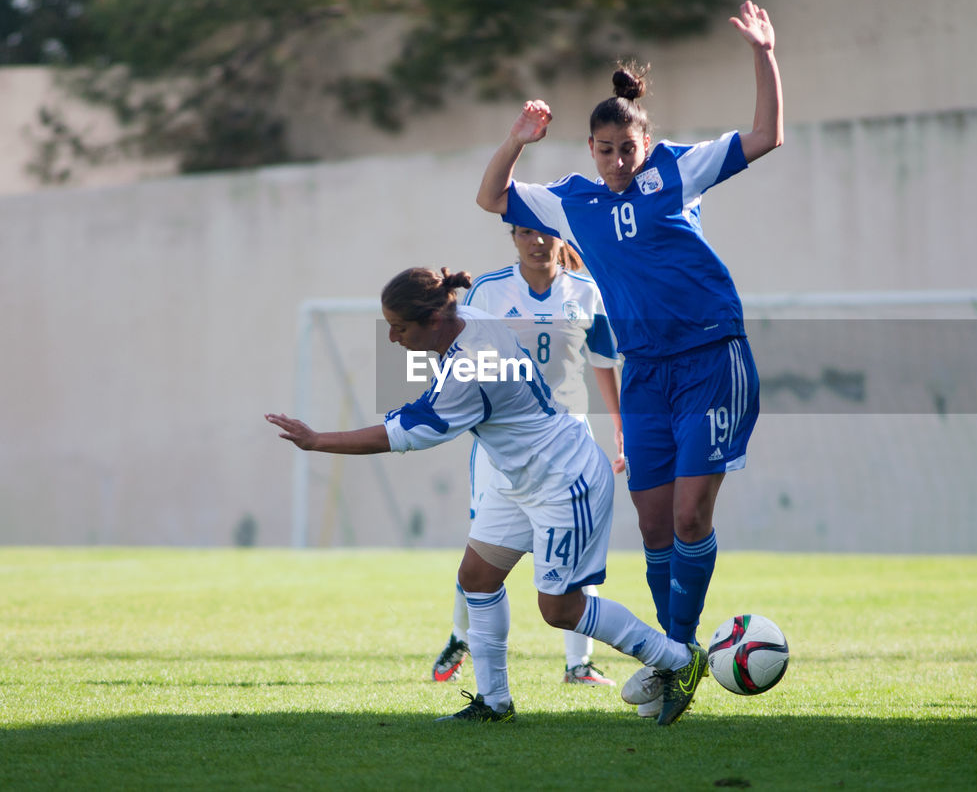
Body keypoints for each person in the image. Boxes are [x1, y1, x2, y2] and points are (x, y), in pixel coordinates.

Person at [475, 0, 782, 717]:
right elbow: (490, 196)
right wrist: (518, 139)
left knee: (688, 517)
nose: (618, 160)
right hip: (645, 371)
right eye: (606, 150)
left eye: (628, 148)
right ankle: (676, 663)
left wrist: (763, 53)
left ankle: (676, 658)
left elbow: (767, 135)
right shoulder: (570, 201)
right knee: (650, 526)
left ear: (645, 140)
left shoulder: (679, 170)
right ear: (590, 149)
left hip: (710, 357)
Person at [265, 267, 708, 726]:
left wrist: (317, 441)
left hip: (562, 479)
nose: (393, 339)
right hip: (518, 478)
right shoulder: (470, 318)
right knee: (476, 577)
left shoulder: (473, 367)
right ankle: (494, 703)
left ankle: (677, 659)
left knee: (560, 609)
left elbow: (404, 435)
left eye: (399, 327)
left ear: (433, 319)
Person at [430, 228, 626, 688]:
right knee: (482, 547)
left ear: (559, 239)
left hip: (568, 440)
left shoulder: (588, 291)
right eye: (525, 233)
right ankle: (462, 635)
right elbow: (456, 349)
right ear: (513, 237)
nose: (536, 242)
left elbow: (603, 360)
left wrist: (622, 428)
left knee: (574, 551)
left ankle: (579, 664)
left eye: (544, 233)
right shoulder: (489, 290)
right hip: (503, 442)